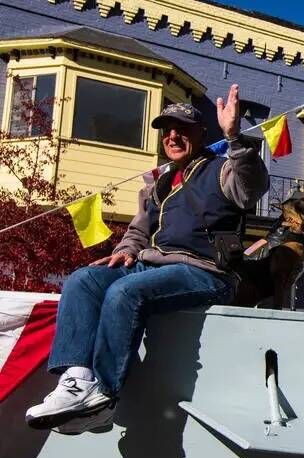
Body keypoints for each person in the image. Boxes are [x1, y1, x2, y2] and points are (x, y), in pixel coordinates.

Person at [26, 88, 270, 433]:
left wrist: (233, 135)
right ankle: (77, 379)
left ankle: (103, 397)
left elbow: (252, 186)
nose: (173, 135)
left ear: (202, 134)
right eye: (166, 129)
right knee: (83, 280)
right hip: (149, 266)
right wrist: (126, 250)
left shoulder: (223, 170)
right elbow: (139, 230)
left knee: (125, 292)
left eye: (182, 128)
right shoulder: (161, 182)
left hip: (204, 272)